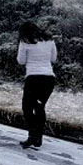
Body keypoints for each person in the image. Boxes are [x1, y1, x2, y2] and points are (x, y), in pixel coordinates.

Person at [16, 21, 57, 149]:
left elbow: (21, 61)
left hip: (33, 78)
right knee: (39, 107)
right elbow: (53, 59)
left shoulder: (25, 42)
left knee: (27, 107)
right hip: (49, 78)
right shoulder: (49, 40)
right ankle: (38, 137)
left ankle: (32, 136)